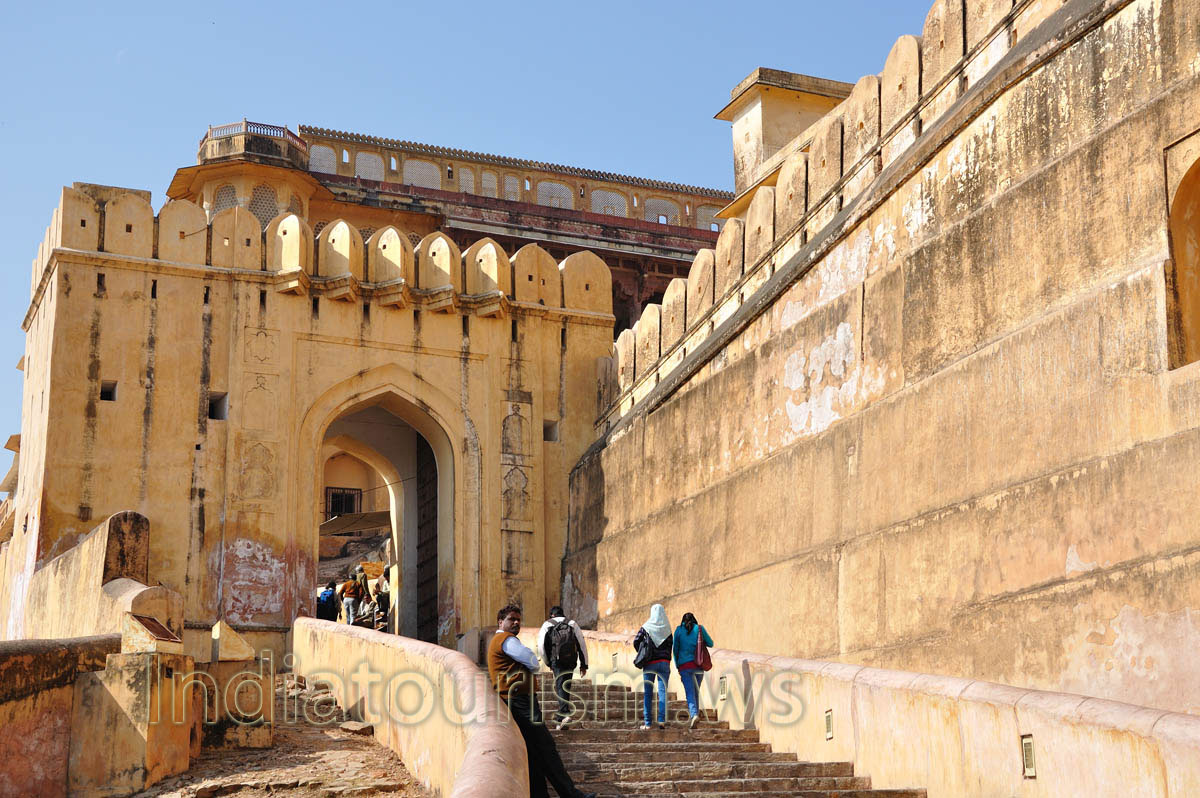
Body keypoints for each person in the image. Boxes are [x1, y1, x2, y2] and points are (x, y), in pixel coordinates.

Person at [487, 604, 595, 798]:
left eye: (518, 619)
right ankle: (571, 795)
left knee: (533, 752)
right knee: (546, 748)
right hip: (519, 700)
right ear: (500, 622)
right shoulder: (506, 640)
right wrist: (532, 663)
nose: (516, 623)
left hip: (517, 698)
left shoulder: (500, 640)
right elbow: (531, 660)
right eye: (512, 619)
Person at [536, 605, 589, 730]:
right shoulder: (572, 623)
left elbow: (541, 646)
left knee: (560, 685)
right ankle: (561, 718)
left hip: (556, 660)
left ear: (552, 615)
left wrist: (548, 662)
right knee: (566, 685)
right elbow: (581, 644)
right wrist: (584, 664)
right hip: (570, 659)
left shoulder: (547, 624)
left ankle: (564, 715)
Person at [632, 604, 673, 730]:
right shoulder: (667, 628)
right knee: (663, 692)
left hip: (649, 663)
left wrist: (643, 652)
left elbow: (636, 641)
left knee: (648, 693)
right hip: (664, 663)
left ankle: (648, 723)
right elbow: (670, 645)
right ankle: (661, 720)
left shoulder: (646, 627)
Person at [672, 612, 713, 729]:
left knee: (690, 692)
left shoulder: (679, 631)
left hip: (685, 666)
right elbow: (711, 643)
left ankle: (694, 714)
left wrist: (677, 665)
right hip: (699, 666)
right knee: (695, 691)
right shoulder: (699, 629)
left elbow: (675, 650)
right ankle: (696, 714)